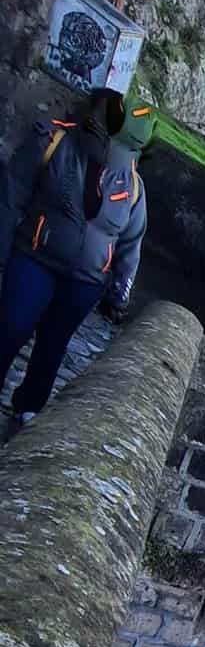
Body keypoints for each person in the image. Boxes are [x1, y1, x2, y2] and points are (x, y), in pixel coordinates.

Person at [0, 90, 151, 426]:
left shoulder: (134, 187)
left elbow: (131, 244)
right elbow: (12, 195)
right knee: (11, 326)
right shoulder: (55, 143)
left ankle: (27, 409)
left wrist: (120, 292)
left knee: (52, 347)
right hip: (36, 258)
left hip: (85, 282)